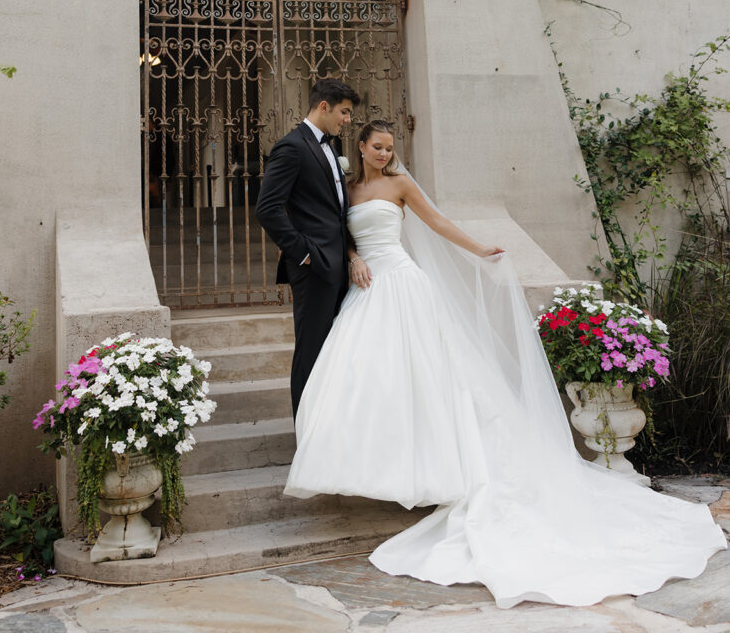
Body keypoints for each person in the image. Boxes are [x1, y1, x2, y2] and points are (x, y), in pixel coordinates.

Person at [284, 119, 726, 609]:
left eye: (391, 147)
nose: (385, 154)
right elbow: (338, 231)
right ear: (362, 147)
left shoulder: (401, 184)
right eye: (377, 147)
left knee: (429, 379)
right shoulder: (347, 187)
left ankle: (442, 472)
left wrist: (479, 249)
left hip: (404, 285)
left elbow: (438, 223)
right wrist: (351, 258)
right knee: (367, 380)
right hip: (368, 286)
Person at [255, 78, 360, 417]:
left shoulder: (332, 147)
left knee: (335, 351)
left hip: (338, 265)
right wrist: (304, 253)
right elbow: (267, 208)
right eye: (344, 112)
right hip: (314, 266)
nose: (348, 120)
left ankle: (330, 427)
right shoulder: (292, 146)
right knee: (312, 351)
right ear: (324, 106)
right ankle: (307, 434)